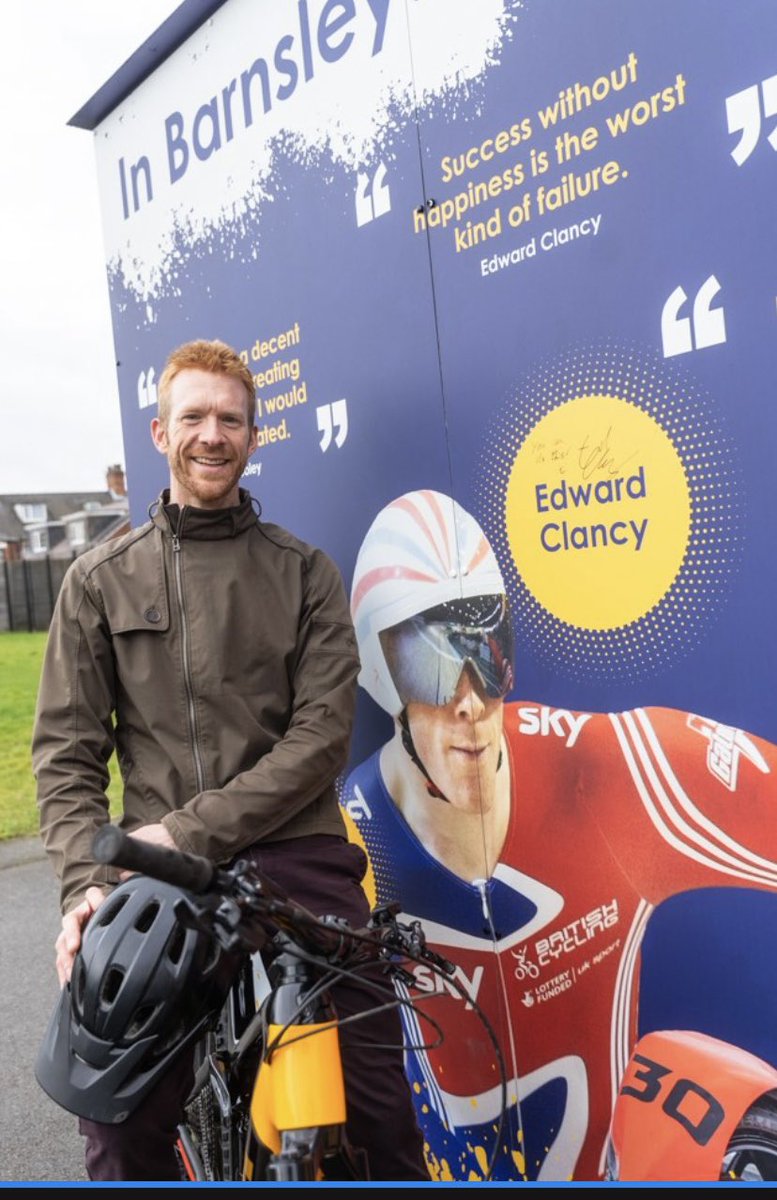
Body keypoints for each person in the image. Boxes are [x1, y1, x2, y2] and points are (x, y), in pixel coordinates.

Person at [31, 339, 429, 1183]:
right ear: (160, 432)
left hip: (299, 860)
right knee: (118, 1126)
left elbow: (319, 742)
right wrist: (85, 885)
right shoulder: (97, 582)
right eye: (194, 418)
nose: (212, 435)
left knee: (382, 1109)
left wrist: (185, 830)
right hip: (156, 876)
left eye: (230, 419)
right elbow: (66, 757)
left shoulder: (305, 574)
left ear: (254, 435)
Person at [340, 487, 777, 1182]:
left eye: (487, 651)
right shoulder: (342, 843)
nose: (468, 700)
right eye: (429, 663)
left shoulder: (610, 770)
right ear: (378, 674)